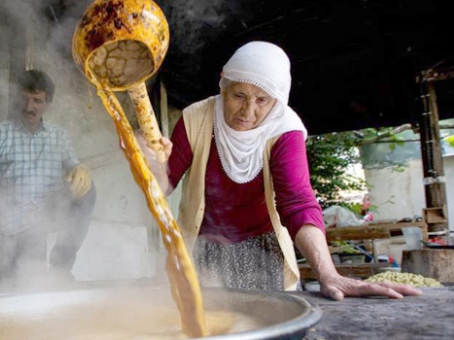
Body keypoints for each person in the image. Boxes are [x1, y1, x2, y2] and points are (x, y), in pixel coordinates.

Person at [138, 41, 420, 300]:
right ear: (222, 85)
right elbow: (163, 188)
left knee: (268, 320)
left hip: (264, 247)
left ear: (278, 99)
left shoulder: (284, 129)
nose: (247, 112)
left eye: (262, 100)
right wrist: (151, 169)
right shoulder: (195, 119)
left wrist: (328, 274)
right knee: (208, 323)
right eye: (238, 95)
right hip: (203, 247)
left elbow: (297, 202)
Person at [0, 69, 96, 284]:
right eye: (24, 99)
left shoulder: (58, 136)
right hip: (7, 226)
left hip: (42, 219)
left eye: (37, 101)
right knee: (17, 286)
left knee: (88, 189)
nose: (29, 107)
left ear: (48, 104)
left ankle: (61, 266)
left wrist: (80, 168)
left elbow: (75, 172)